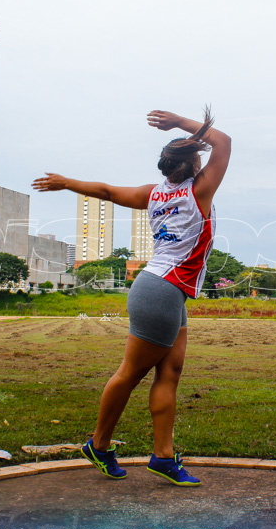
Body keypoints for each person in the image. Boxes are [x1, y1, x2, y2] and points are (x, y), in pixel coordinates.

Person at [32, 108, 231, 487]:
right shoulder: (199, 191)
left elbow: (106, 191)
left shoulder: (153, 194)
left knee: (169, 373)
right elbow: (225, 141)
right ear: (192, 166)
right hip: (160, 291)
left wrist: (66, 182)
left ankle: (163, 456)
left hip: (166, 292)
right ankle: (99, 444)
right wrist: (179, 122)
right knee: (130, 374)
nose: (206, 160)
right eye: (200, 158)